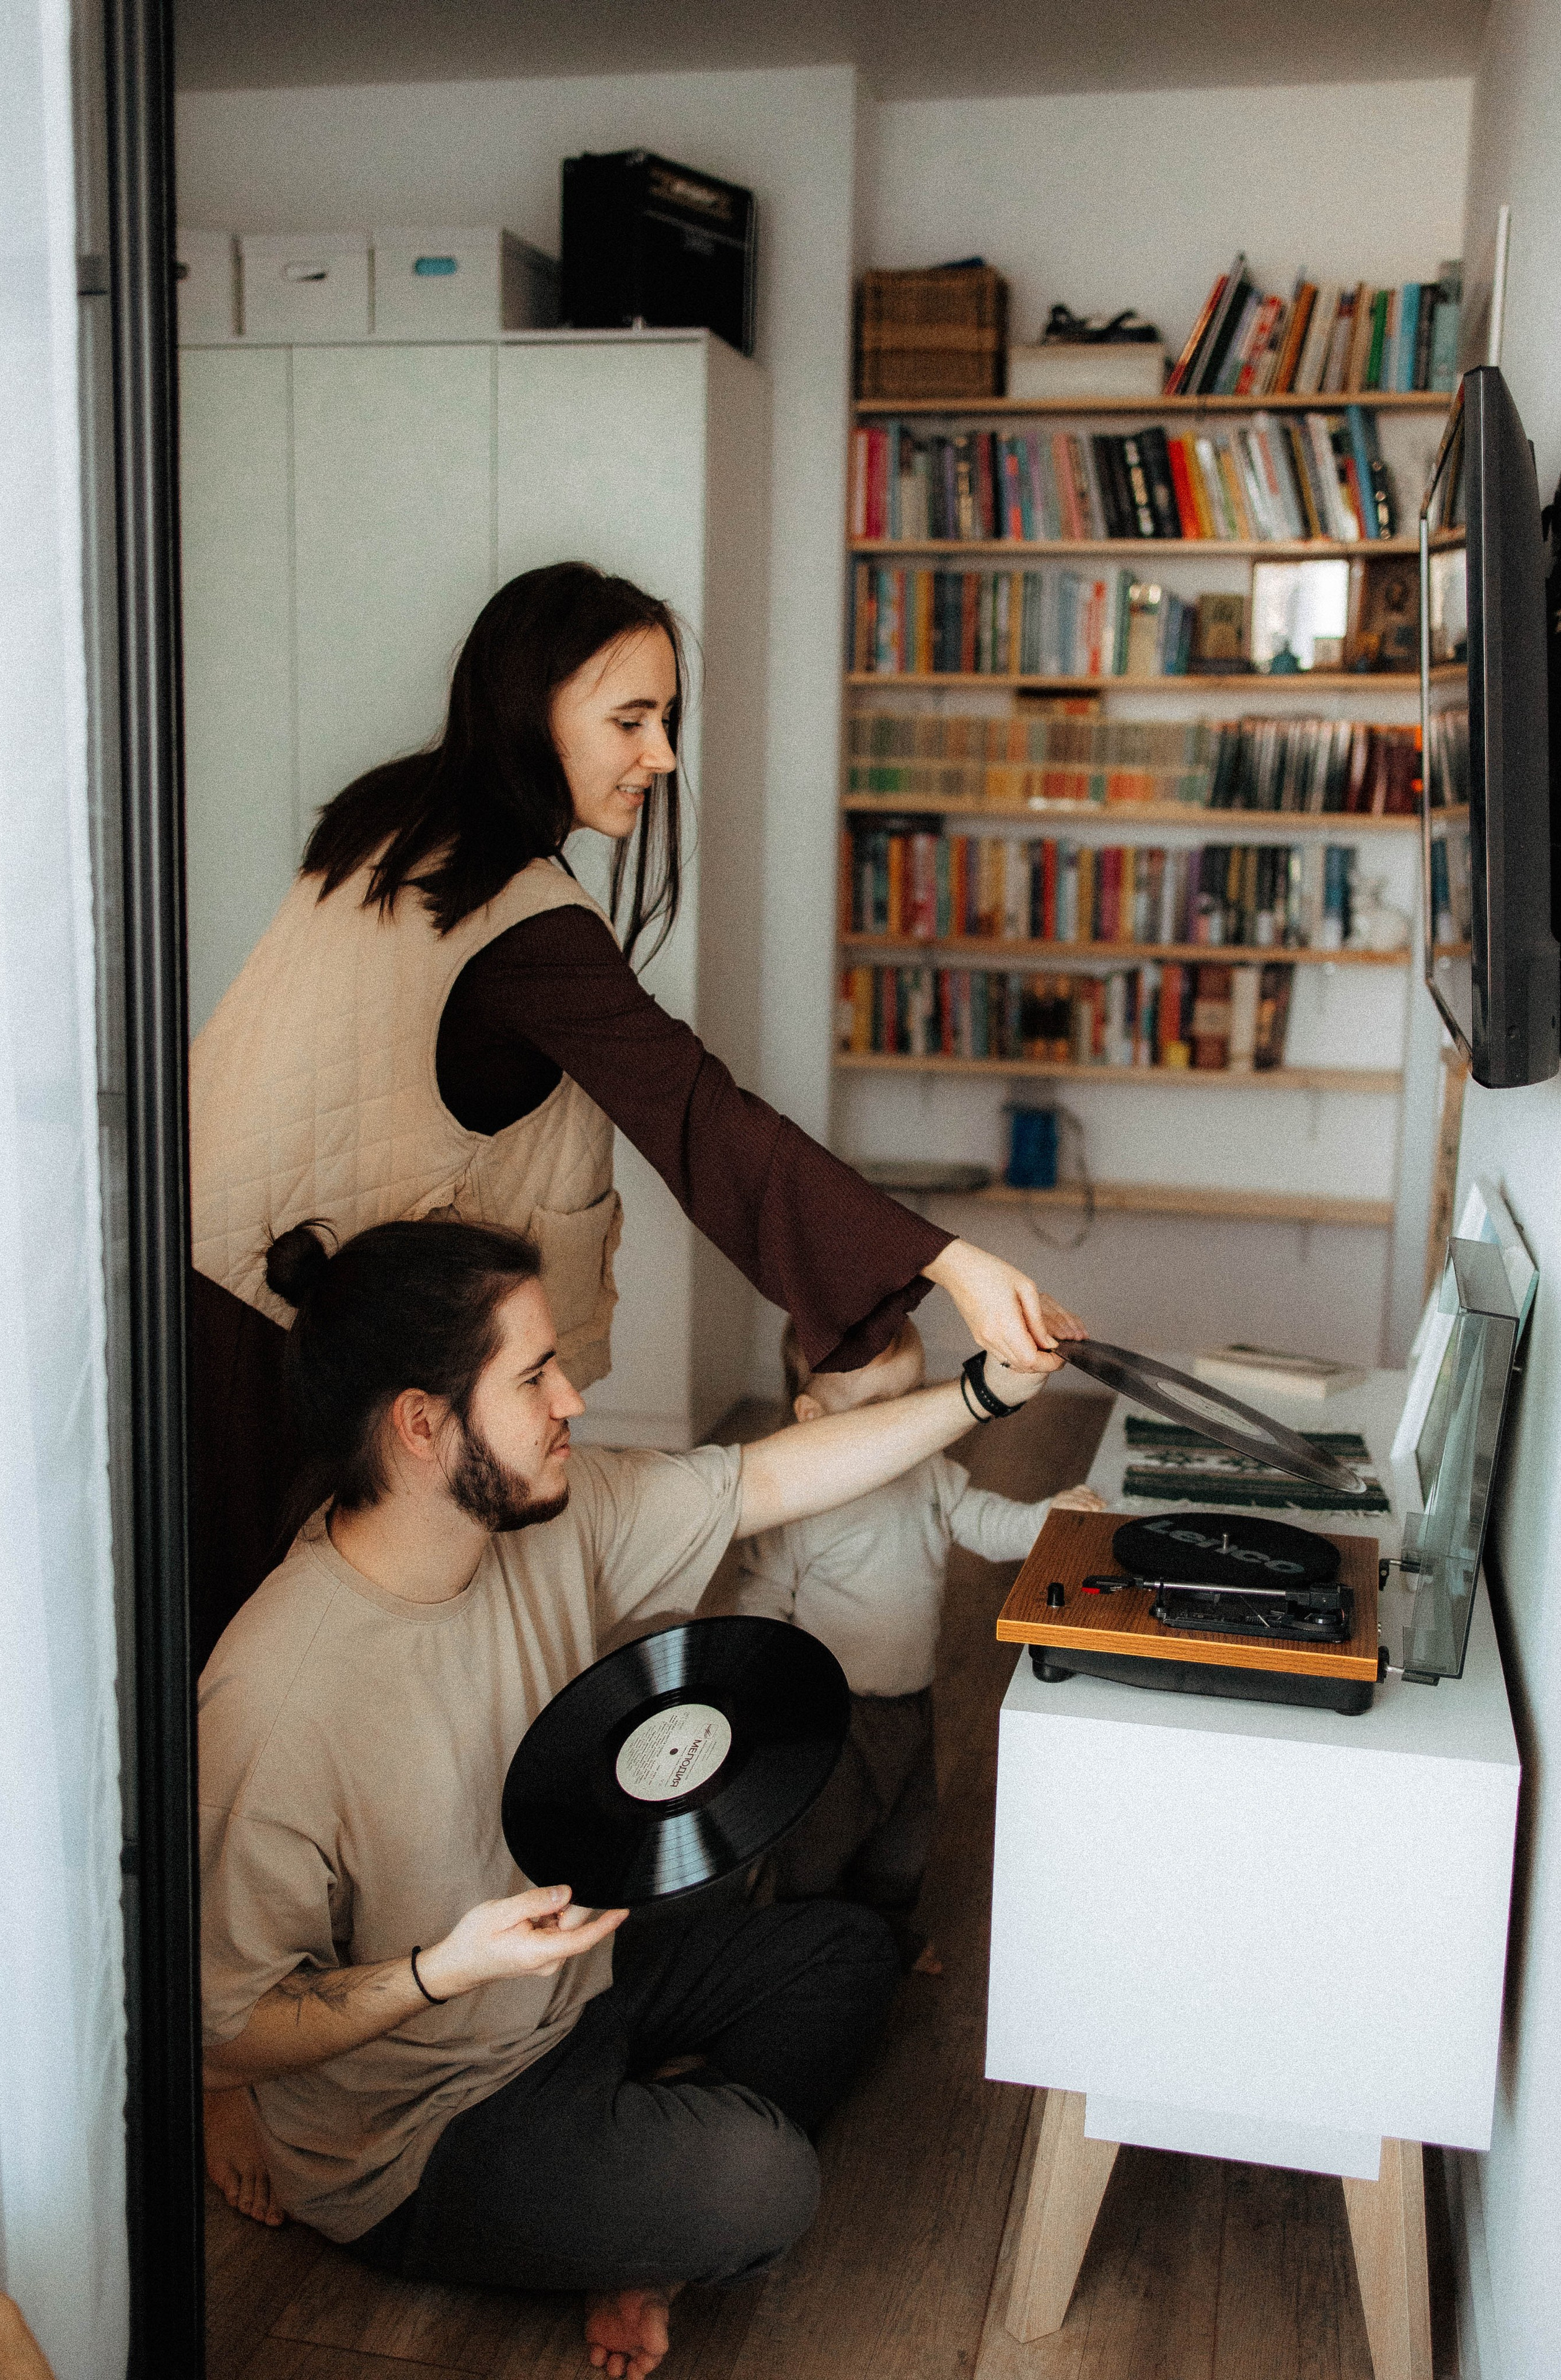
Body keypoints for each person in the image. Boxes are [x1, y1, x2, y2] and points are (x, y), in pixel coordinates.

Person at [198, 1216, 1060, 2379]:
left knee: (854, 1952)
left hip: (573, 1983)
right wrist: (446, 1970)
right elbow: (233, 2030)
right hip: (421, 2125)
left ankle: (629, 2189)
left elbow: (762, 1476)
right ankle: (643, 2200)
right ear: (418, 1424)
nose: (575, 1402)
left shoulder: (538, 1520)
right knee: (766, 2184)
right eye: (535, 1376)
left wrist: (982, 1394)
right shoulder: (275, 1699)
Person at [190, 562, 1084, 1668]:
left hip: (209, 1291)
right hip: (283, 1353)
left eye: (666, 719)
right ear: (532, 707)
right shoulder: (527, 921)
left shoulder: (393, 822)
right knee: (289, 1673)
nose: (661, 756)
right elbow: (702, 1119)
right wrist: (950, 1263)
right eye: (630, 719)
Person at [732, 1318, 1104, 1971]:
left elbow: (988, 1524)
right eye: (881, 1408)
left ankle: (882, 1937)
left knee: (904, 1839)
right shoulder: (796, 1501)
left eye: (915, 1396)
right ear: (811, 1416)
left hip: (911, 1701)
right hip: (827, 1716)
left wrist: (1050, 1521)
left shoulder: (926, 1472)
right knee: (817, 1847)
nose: (906, 1420)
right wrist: (765, 1697)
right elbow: (759, 1604)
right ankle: (794, 1951)